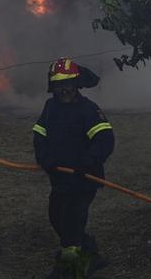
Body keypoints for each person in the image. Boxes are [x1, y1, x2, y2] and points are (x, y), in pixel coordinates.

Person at [33, 57, 113, 279]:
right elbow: (39, 133)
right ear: (53, 86)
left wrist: (89, 161)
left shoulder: (88, 110)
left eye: (68, 84)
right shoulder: (51, 107)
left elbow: (105, 139)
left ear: (76, 85)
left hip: (83, 178)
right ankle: (91, 254)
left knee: (71, 224)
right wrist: (44, 158)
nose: (64, 90)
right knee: (56, 216)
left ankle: (69, 271)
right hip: (59, 177)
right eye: (59, 84)